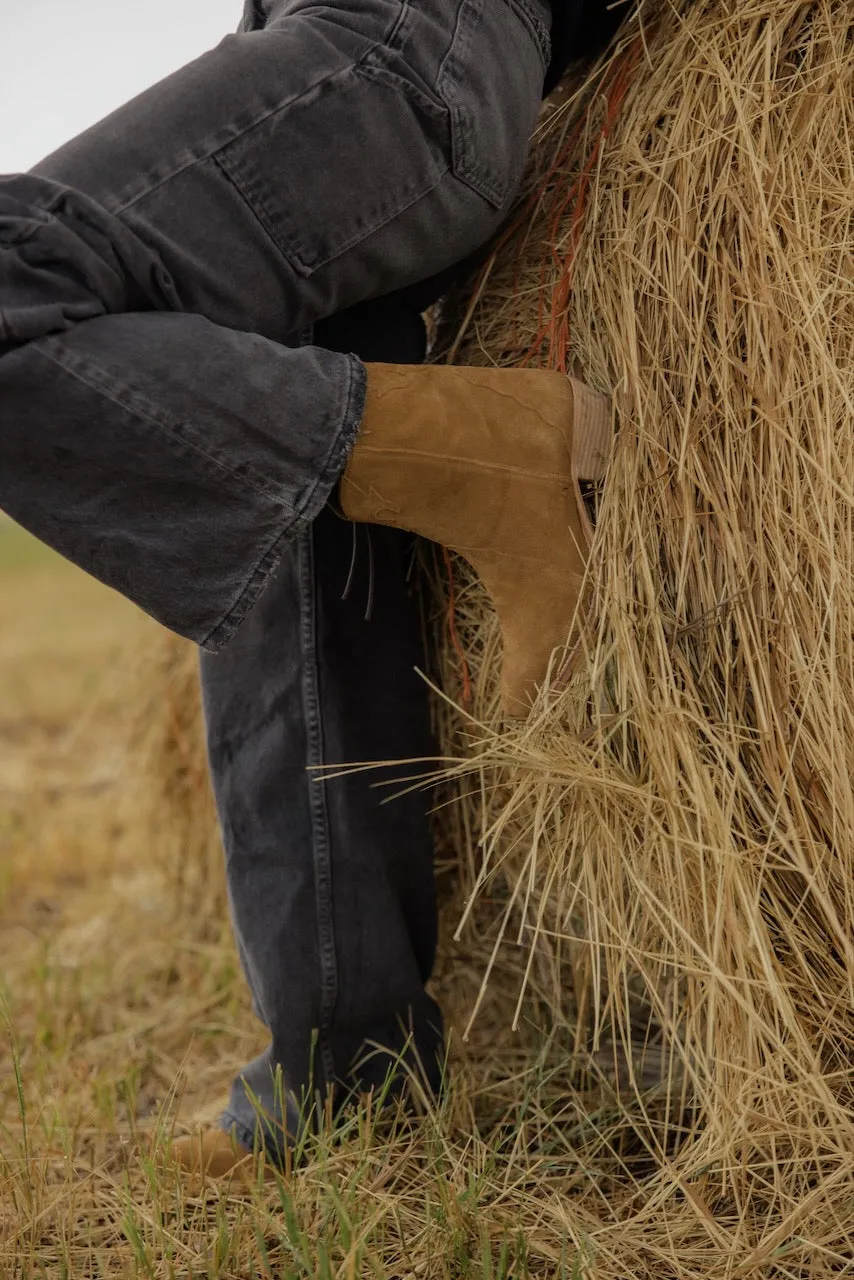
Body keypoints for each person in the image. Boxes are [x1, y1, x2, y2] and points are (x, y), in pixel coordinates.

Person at [0, 0, 626, 1178]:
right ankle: (347, 1067)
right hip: (393, 59)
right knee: (282, 498)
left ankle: (473, 451)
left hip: (397, 44)